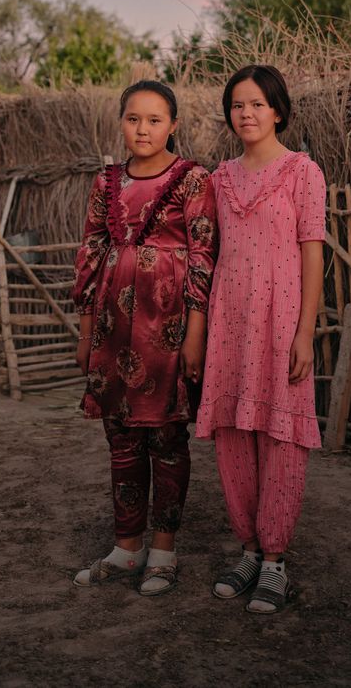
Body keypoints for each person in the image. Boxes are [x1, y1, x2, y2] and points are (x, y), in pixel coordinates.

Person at [71, 80, 217, 596]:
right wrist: (87, 332)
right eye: (134, 119)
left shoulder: (193, 180)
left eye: (155, 120)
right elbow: (90, 255)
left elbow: (202, 258)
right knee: (121, 438)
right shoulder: (105, 182)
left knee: (167, 439)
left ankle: (163, 551)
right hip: (113, 328)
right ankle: (126, 548)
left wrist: (195, 335)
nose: (143, 129)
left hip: (169, 327)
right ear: (121, 122)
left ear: (173, 125)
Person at [196, 64, 326, 614]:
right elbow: (207, 253)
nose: (246, 114)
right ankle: (247, 549)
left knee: (281, 438)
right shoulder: (218, 179)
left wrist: (306, 333)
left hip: (281, 323)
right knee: (232, 436)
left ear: (278, 110)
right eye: (237, 105)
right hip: (229, 322)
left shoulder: (303, 172)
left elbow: (312, 255)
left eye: (257, 104)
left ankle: (275, 562)